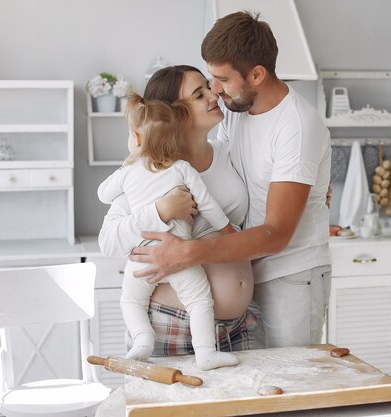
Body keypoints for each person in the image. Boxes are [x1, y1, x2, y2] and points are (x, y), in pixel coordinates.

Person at [130, 11, 332, 349]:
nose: (215, 90)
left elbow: (276, 233)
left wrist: (189, 252)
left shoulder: (296, 126)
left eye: (222, 78)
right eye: (211, 79)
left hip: (291, 274)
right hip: (249, 270)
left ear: (257, 74)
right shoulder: (236, 111)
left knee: (293, 382)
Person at [98, 65, 265, 357]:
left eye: (208, 88)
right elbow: (108, 242)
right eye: (199, 94)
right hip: (171, 322)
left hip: (240, 322)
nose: (213, 95)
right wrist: (161, 211)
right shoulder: (148, 170)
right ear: (173, 114)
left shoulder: (229, 153)